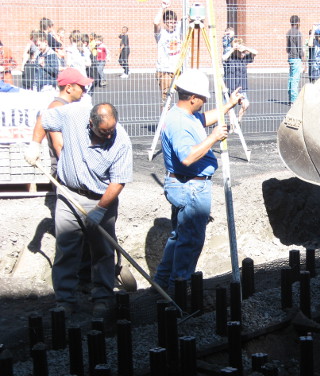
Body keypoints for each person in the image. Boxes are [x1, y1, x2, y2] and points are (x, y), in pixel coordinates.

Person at [24, 101, 132, 317]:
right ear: (90, 123)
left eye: (111, 130)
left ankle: (102, 298)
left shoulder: (121, 142)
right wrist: (35, 144)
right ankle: (65, 300)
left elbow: (118, 181)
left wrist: (100, 209)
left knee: (102, 251)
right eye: (104, 132)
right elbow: (44, 118)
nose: (109, 136)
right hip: (68, 194)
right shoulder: (73, 114)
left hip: (101, 198)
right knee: (66, 249)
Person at [153, 69, 242, 294]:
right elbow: (187, 157)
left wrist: (229, 105)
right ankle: (177, 291)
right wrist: (214, 137)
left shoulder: (184, 115)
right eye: (202, 99)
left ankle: (162, 284)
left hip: (186, 184)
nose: (203, 102)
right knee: (190, 241)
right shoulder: (179, 123)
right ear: (192, 98)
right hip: (190, 185)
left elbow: (204, 119)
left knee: (179, 238)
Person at [46, 68, 93, 175]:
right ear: (69, 88)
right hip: (65, 170)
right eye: (81, 87)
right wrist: (73, 170)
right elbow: (59, 145)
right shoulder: (57, 108)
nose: (84, 91)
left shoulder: (65, 107)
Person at [154, 2, 183, 108]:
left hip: (179, 69)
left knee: (184, 97)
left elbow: (187, 20)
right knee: (166, 97)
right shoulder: (161, 33)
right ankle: (164, 121)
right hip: (164, 70)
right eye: (169, 22)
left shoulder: (179, 30)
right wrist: (162, 8)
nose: (172, 25)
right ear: (165, 22)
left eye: (174, 22)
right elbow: (156, 22)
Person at [223, 38, 257, 121]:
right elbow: (223, 58)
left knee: (246, 104)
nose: (241, 53)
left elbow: (255, 52)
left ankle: (239, 119)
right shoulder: (230, 58)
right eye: (239, 52)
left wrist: (245, 48)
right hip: (230, 88)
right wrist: (233, 49)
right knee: (230, 108)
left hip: (241, 88)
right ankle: (232, 125)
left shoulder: (244, 58)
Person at [286, 15, 304, 105]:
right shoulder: (298, 33)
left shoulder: (288, 32)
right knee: (295, 80)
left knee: (291, 78)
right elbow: (299, 47)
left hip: (290, 57)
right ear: (298, 22)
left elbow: (287, 48)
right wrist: (302, 57)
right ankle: (294, 100)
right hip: (296, 57)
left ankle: (290, 98)